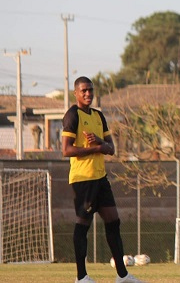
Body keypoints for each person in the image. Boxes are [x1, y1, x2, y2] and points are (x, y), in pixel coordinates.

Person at [62, 76, 145, 283]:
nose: (88, 94)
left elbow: (111, 148)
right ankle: (81, 278)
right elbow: (66, 150)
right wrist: (97, 148)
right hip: (83, 180)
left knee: (113, 222)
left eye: (90, 90)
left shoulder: (99, 116)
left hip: (101, 178)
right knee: (83, 226)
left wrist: (100, 143)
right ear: (76, 93)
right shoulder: (73, 115)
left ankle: (122, 275)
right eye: (84, 91)